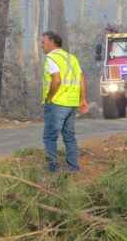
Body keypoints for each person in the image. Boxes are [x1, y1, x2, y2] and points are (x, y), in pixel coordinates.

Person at [40, 31, 88, 173]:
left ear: (51, 42)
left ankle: (52, 168)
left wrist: (49, 97)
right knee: (69, 136)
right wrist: (83, 99)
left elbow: (57, 79)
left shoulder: (52, 58)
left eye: (43, 42)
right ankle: (73, 167)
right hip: (72, 103)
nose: (41, 45)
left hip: (57, 103)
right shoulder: (71, 58)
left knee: (50, 136)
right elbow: (81, 79)